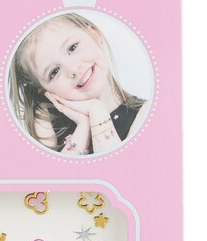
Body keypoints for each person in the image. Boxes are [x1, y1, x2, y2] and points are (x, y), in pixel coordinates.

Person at [9, 13, 149, 155]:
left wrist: (97, 111)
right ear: (43, 89)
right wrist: (83, 127)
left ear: (94, 35)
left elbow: (114, 166)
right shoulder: (44, 119)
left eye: (72, 47)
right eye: (54, 72)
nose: (72, 69)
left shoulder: (145, 115)